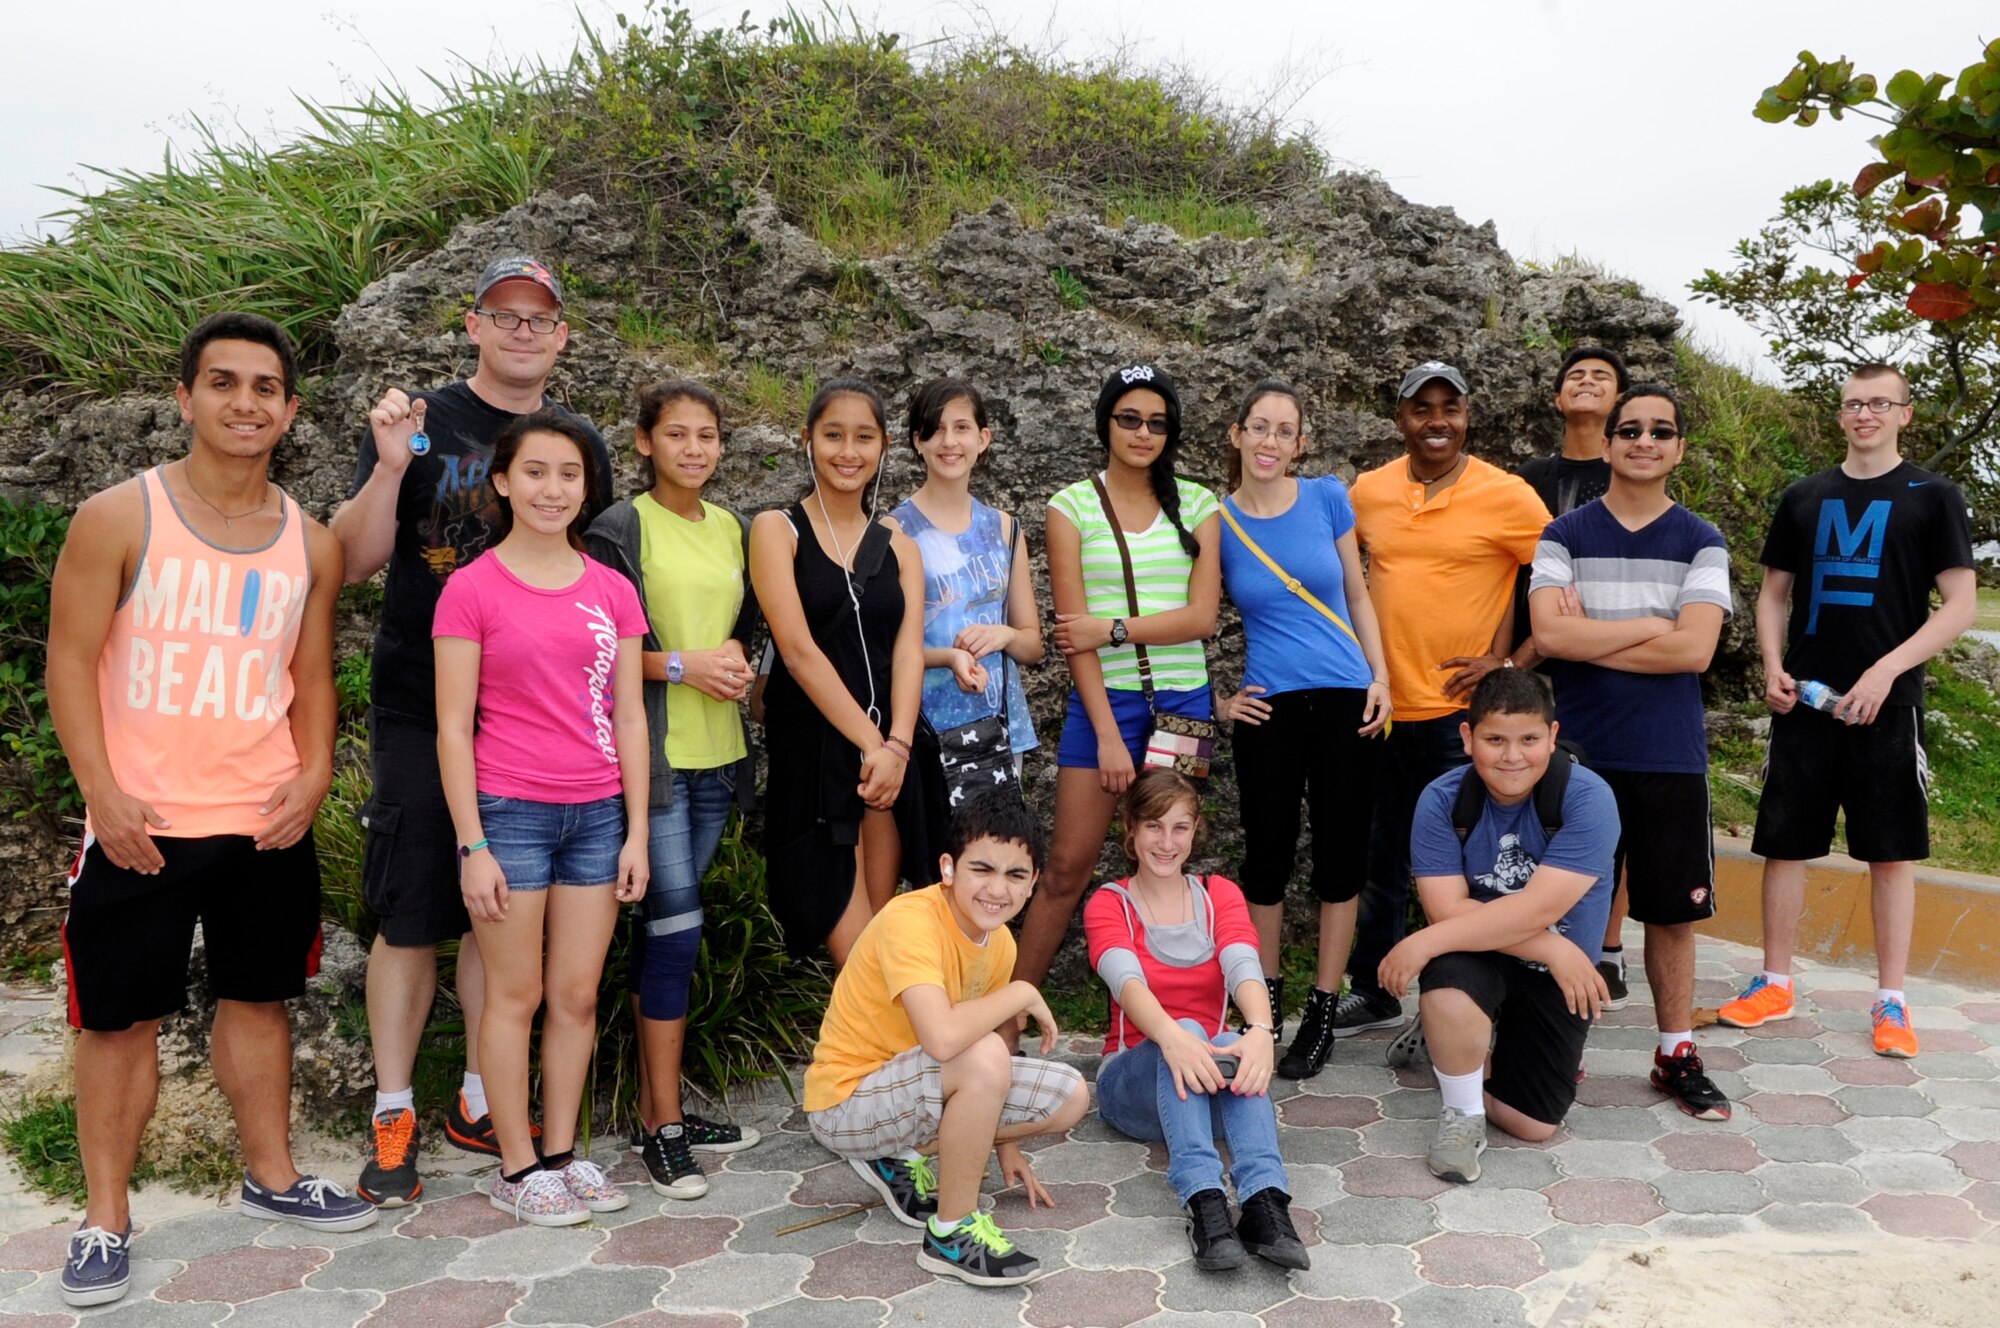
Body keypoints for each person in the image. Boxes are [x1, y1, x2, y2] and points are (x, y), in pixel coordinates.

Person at [48, 313, 372, 1307]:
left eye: (265, 387)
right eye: (223, 382)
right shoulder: (118, 516)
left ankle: (272, 1175)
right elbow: (68, 659)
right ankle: (105, 1219)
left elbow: (310, 676)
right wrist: (102, 791)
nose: (245, 402)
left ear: (291, 409)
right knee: (118, 1023)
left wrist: (313, 775)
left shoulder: (310, 542)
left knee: (259, 998)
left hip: (263, 819)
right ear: (185, 397)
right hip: (141, 822)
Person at [331, 256, 616, 1204]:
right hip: (426, 706)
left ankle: (478, 1099)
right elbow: (353, 560)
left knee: (499, 913)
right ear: (474, 325)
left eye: (541, 318)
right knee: (415, 911)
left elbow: (597, 579)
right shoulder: (420, 424)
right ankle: (394, 1111)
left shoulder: (573, 441)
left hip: (536, 720)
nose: (523, 332)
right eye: (505, 315)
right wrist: (387, 464)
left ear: (562, 336)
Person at [1720, 362, 1976, 1058]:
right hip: (1805, 701)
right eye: (1853, 403)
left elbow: (1960, 605)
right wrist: (1773, 666)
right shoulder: (1805, 496)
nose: (1865, 414)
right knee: (1784, 844)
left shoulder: (1934, 496)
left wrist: (1888, 670)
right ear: (1840, 414)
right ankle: (1775, 982)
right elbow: (1774, 595)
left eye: (1879, 403)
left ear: (1905, 414)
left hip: (1888, 706)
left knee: (1890, 852)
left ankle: (1891, 1000)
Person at [434, 410, 649, 1225]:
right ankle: (517, 1166)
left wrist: (636, 832)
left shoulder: (612, 589)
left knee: (577, 997)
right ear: (502, 481)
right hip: (510, 815)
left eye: (569, 474)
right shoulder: (471, 588)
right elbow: (453, 727)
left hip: (597, 815)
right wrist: (473, 845)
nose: (551, 489)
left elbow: (630, 716)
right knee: (514, 996)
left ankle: (562, 1154)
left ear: (587, 487)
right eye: (534, 472)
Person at [1530, 384, 1733, 1120]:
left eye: (1661, 431)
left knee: (1672, 915)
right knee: (1563, 907)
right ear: (1609, 442)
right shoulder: (1563, 535)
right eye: (1631, 429)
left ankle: (1675, 1053)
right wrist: (1654, 625)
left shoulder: (1702, 539)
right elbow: (1549, 637)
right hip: (1579, 752)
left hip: (1668, 754)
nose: (1645, 441)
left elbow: (1696, 650)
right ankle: (1556, 1050)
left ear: (1679, 449)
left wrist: (1593, 638)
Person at [585, 381, 763, 1201]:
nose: (694, 449)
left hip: (719, 761)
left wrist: (737, 665)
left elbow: (746, 633)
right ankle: (662, 1127)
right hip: (653, 765)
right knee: (678, 933)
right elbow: (594, 646)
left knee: (667, 934)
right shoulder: (621, 528)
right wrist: (683, 665)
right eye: (677, 434)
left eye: (708, 435)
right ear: (644, 441)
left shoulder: (731, 527)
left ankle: (661, 1108)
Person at [1337, 362, 1552, 1037]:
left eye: (1450, 408)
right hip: (1379, 708)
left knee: (1476, 864)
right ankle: (1375, 990)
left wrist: (1509, 664)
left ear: (1467, 417)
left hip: (1462, 717)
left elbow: (1560, 581)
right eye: (1421, 408)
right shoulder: (1369, 492)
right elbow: (1330, 570)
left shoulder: (1508, 495)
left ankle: (1473, 997)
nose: (1437, 421)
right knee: (1378, 857)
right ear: (1400, 418)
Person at [803, 794, 1090, 1287]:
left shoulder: (999, 941)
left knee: (1071, 1095)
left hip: (916, 1088)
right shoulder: (910, 920)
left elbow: (986, 1039)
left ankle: (896, 1158)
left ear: (1033, 883)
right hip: (846, 1102)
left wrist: (1004, 1144)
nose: (997, 889)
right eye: (982, 869)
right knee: (981, 1054)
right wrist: (1023, 990)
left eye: (1015, 875)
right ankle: (950, 1234)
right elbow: (942, 1039)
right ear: (948, 868)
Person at [1016, 363, 1221, 986]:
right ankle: (1007, 1016)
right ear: (1106, 423)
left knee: (1167, 857)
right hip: (1105, 702)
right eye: (1129, 419)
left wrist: (1114, 629)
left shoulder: (1199, 503)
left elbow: (1202, 618)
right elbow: (1070, 634)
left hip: (1184, 703)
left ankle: (1170, 1007)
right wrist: (1106, 734)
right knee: (1066, 867)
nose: (1142, 433)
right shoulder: (1070, 506)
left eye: (1157, 423)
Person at [1213, 379, 1390, 1079]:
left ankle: (1322, 1007)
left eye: (1284, 431)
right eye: (1258, 426)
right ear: (1237, 435)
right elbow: (1191, 614)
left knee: (1341, 858)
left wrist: (1381, 677)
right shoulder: (1217, 521)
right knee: (1267, 857)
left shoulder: (1326, 498)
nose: (1270, 442)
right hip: (1271, 704)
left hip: (1348, 696)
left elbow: (1357, 593)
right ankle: (1263, 1010)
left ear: (1301, 443)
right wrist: (1221, 701)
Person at [1378, 669, 1617, 1184]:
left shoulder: (1588, 798)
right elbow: (1446, 910)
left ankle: (1453, 1047)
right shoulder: (1443, 798)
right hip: (1480, 953)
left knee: (1533, 1125)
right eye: (1495, 740)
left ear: (1552, 736)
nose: (1512, 756)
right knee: (1449, 983)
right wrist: (1554, 947)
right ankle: (1461, 1112)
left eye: (1529, 739)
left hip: (1553, 973)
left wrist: (1423, 941)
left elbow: (1537, 908)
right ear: (1468, 738)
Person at [749, 379, 949, 966]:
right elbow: (796, 650)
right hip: (816, 754)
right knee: (855, 949)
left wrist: (899, 747)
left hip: (887, 761)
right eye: (833, 435)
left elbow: (908, 652)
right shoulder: (777, 529)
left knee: (880, 940)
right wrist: (873, 744)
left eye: (864, 437)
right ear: (807, 440)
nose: (848, 451)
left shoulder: (901, 546)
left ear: (884, 446)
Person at [1086, 769, 1310, 1272]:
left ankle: (1265, 1205)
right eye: (1154, 826)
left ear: (1195, 831)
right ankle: (1204, 1202)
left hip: (1203, 1087)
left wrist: (1261, 1032)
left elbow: (1243, 965)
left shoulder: (1218, 894)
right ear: (1131, 828)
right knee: (1187, 1030)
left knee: (1232, 1037)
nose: (1167, 842)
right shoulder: (1110, 903)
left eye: (1180, 828)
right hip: (1132, 1087)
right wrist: (1173, 1038)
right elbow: (1127, 984)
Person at [1519, 346, 1637, 1006]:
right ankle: (1536, 931)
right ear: (1557, 397)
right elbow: (1515, 568)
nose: (1586, 383)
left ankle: (1608, 944)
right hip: (1537, 658)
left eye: (1601, 377)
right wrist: (1519, 654)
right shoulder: (1531, 477)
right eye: (1575, 376)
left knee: (1607, 804)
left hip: (1609, 664)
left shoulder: (1629, 473)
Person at [888, 378, 1044, 804]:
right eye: (935, 429)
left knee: (994, 844)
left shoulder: (1005, 527)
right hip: (923, 727)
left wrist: (1005, 635)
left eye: (961, 428)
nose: (949, 442)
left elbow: (1032, 645)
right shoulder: (894, 530)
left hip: (998, 730)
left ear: (983, 439)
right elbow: (886, 650)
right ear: (917, 442)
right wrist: (949, 656)